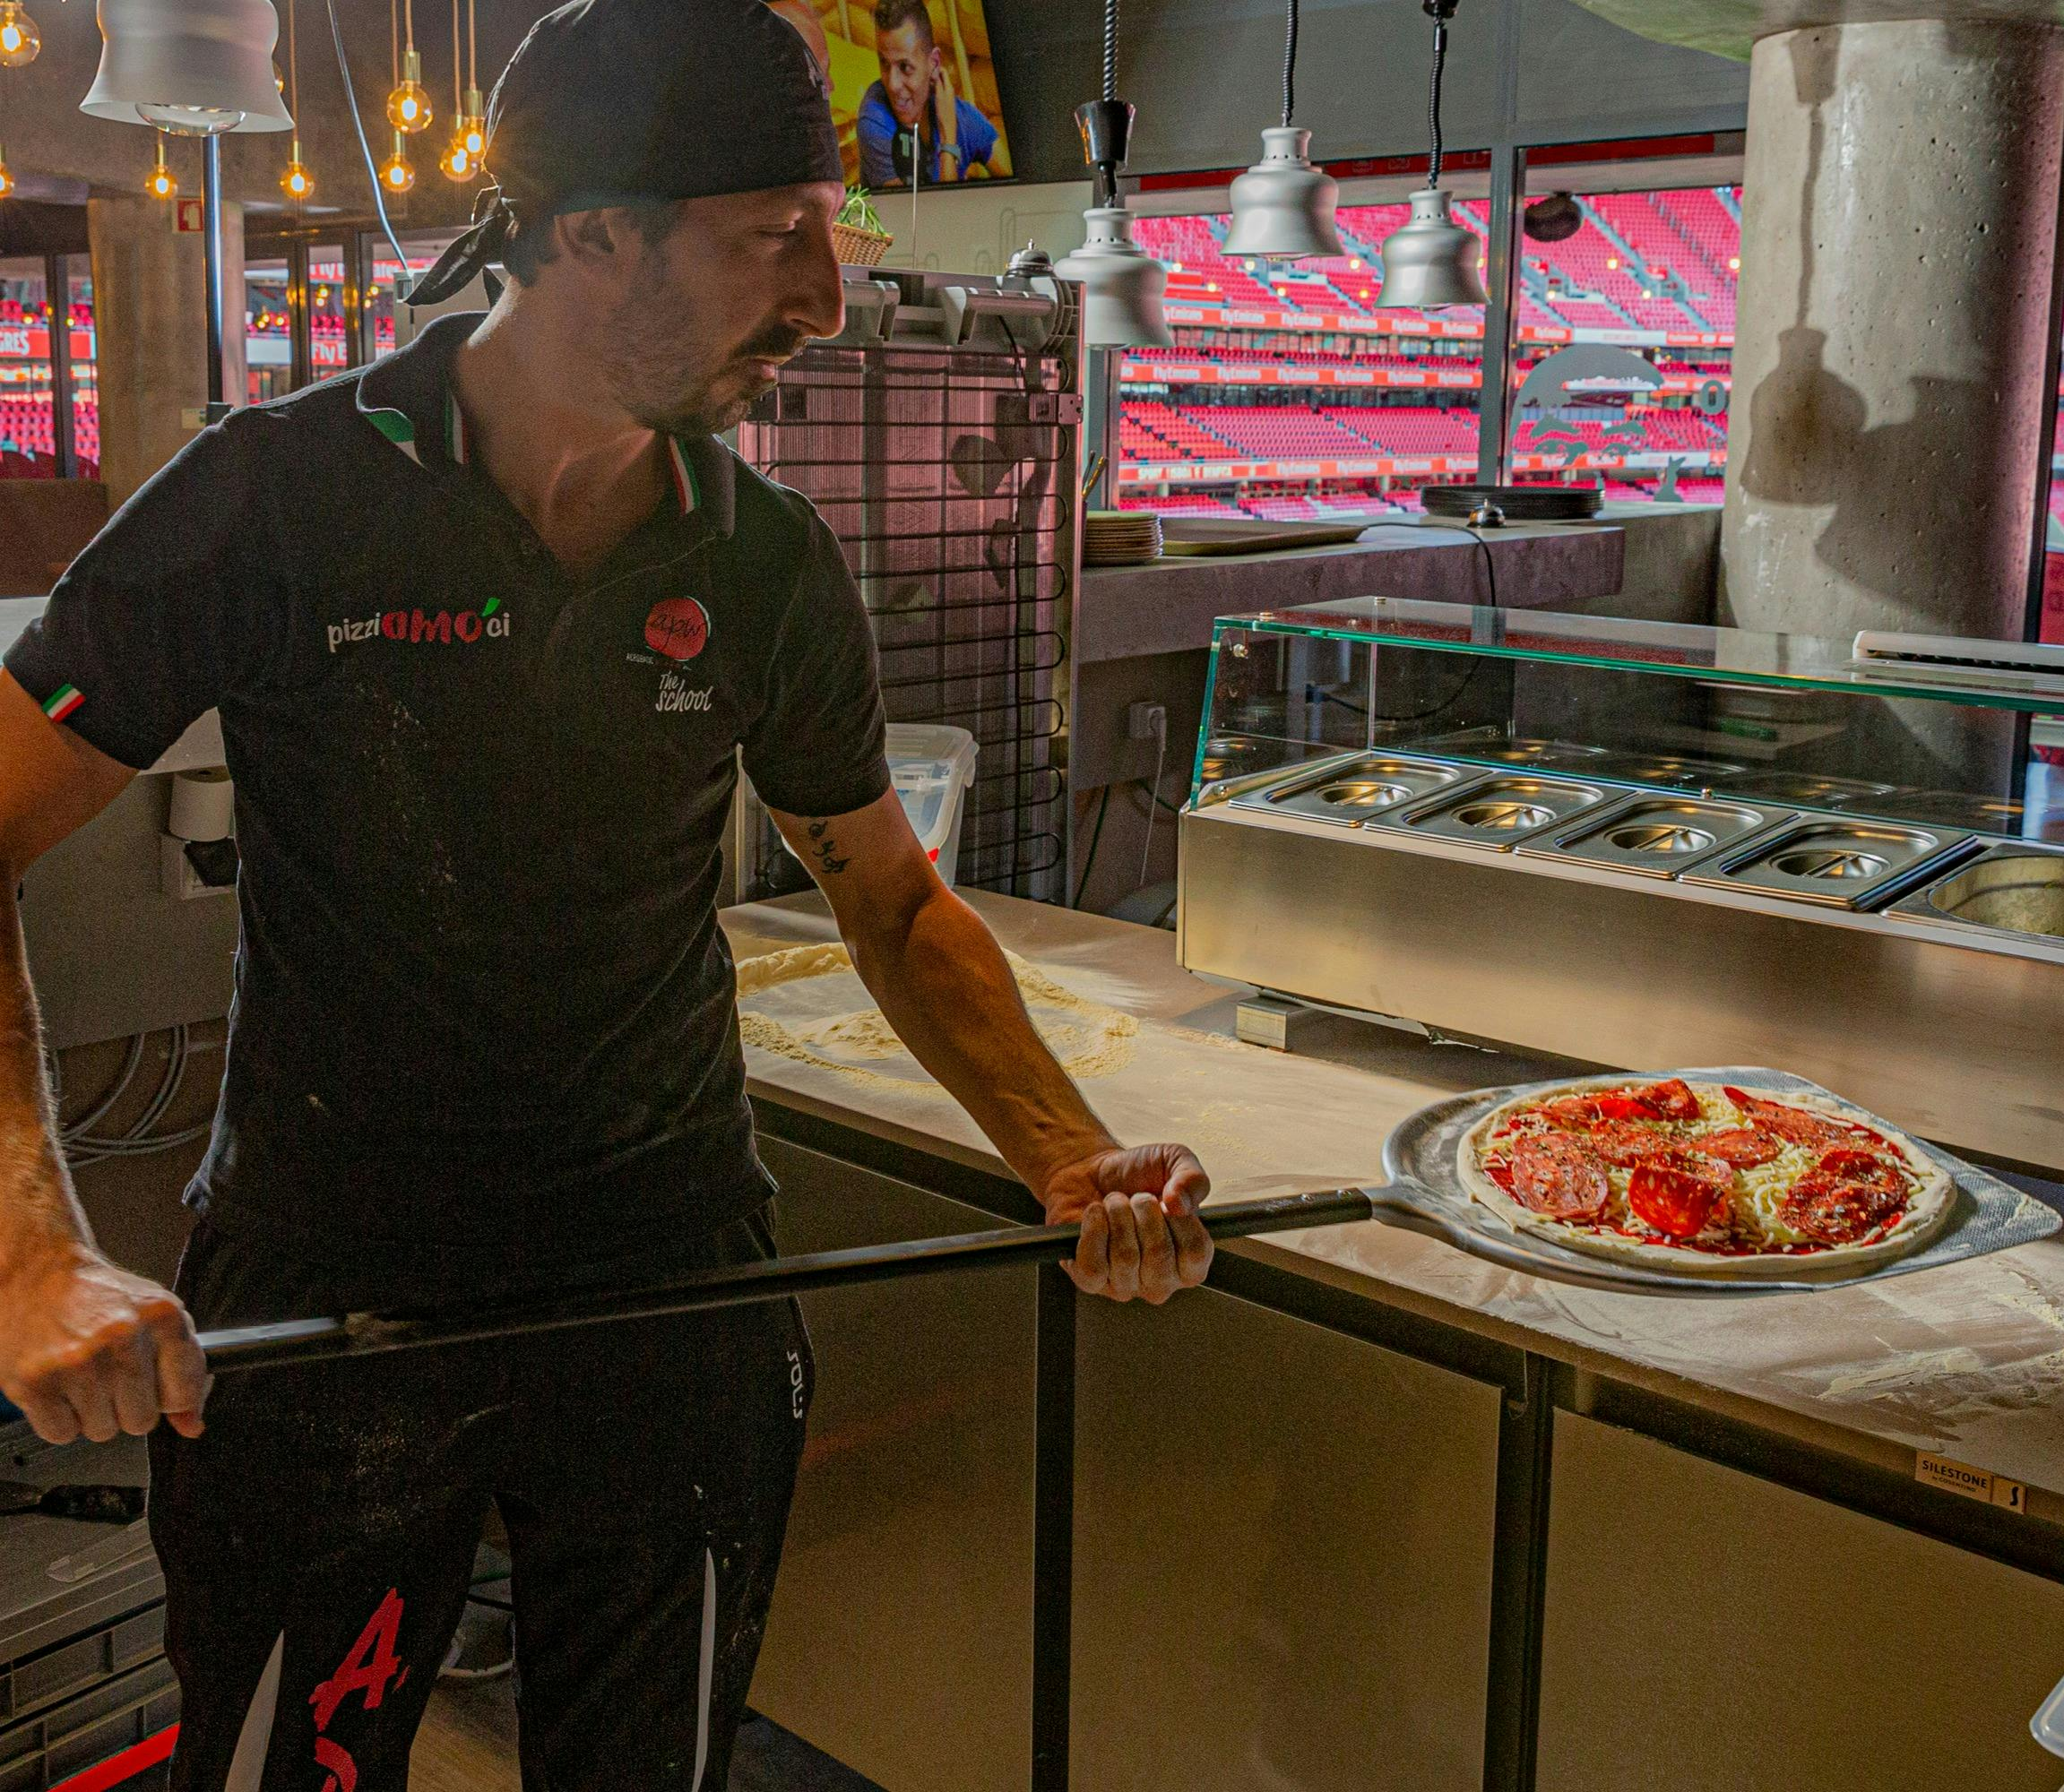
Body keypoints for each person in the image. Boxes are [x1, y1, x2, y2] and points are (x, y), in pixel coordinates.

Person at [0, 0, 1207, 1786]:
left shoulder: (766, 557)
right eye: (767, 241)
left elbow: (888, 896)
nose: (821, 297)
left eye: (826, 234)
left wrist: (1062, 1146)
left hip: (669, 1295)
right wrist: (30, 1250)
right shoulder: (274, 500)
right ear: (587, 234)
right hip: (334, 1299)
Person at [857, 0, 1006, 188]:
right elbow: (922, 215)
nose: (893, 85)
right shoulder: (874, 120)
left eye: (905, 67)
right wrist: (948, 142)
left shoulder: (959, 114)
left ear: (934, 63)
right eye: (884, 64)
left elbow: (1024, 191)